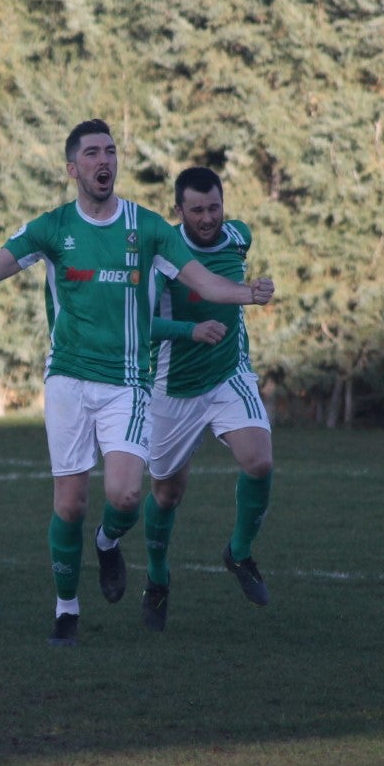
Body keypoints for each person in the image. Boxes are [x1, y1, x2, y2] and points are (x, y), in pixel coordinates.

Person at [0, 119, 273, 647]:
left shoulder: (148, 227)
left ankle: (109, 543)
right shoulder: (49, 228)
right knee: (68, 505)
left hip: (128, 382)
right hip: (68, 378)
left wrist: (247, 294)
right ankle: (67, 608)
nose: (103, 160)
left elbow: (200, 279)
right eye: (91, 153)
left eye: (110, 150)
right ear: (73, 169)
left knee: (128, 494)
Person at [144, 166, 275, 631]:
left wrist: (256, 290)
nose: (207, 218)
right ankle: (157, 579)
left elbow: (236, 281)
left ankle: (239, 554)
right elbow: (140, 324)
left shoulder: (239, 237)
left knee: (259, 461)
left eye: (214, 207)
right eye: (196, 210)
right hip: (172, 388)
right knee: (166, 494)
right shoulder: (161, 257)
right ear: (178, 211)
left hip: (227, 375)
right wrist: (189, 330)